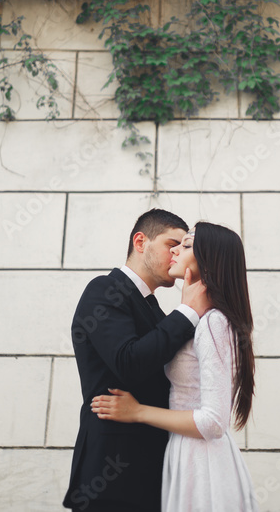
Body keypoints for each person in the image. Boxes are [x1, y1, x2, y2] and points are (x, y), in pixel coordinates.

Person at [91, 222, 259, 512]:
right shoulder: (198, 320)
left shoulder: (214, 323)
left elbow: (214, 422)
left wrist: (138, 412)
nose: (176, 250)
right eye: (175, 243)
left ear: (210, 259)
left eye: (187, 244)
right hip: (185, 453)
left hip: (203, 462)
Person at [64, 209, 212, 512]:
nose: (176, 254)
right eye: (171, 244)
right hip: (111, 475)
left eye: (182, 248)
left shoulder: (156, 311)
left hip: (155, 474)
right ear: (140, 241)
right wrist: (188, 312)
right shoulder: (105, 289)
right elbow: (128, 362)